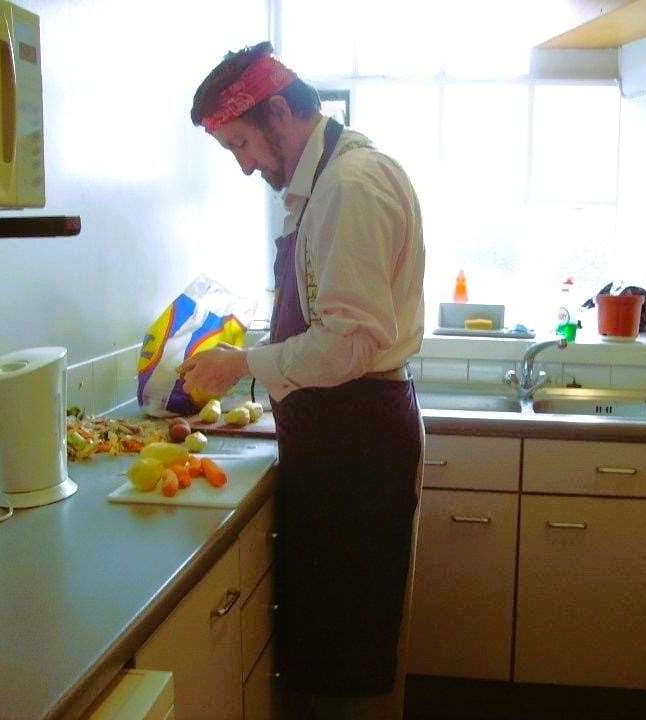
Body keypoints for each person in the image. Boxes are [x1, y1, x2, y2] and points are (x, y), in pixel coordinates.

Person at [181, 41, 425, 719]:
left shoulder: (348, 188)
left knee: (354, 643)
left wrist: (244, 363)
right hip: (338, 442)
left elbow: (347, 346)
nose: (244, 164)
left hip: (358, 445)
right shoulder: (320, 187)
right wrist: (254, 355)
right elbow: (325, 319)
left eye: (241, 143)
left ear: (282, 114)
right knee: (335, 634)